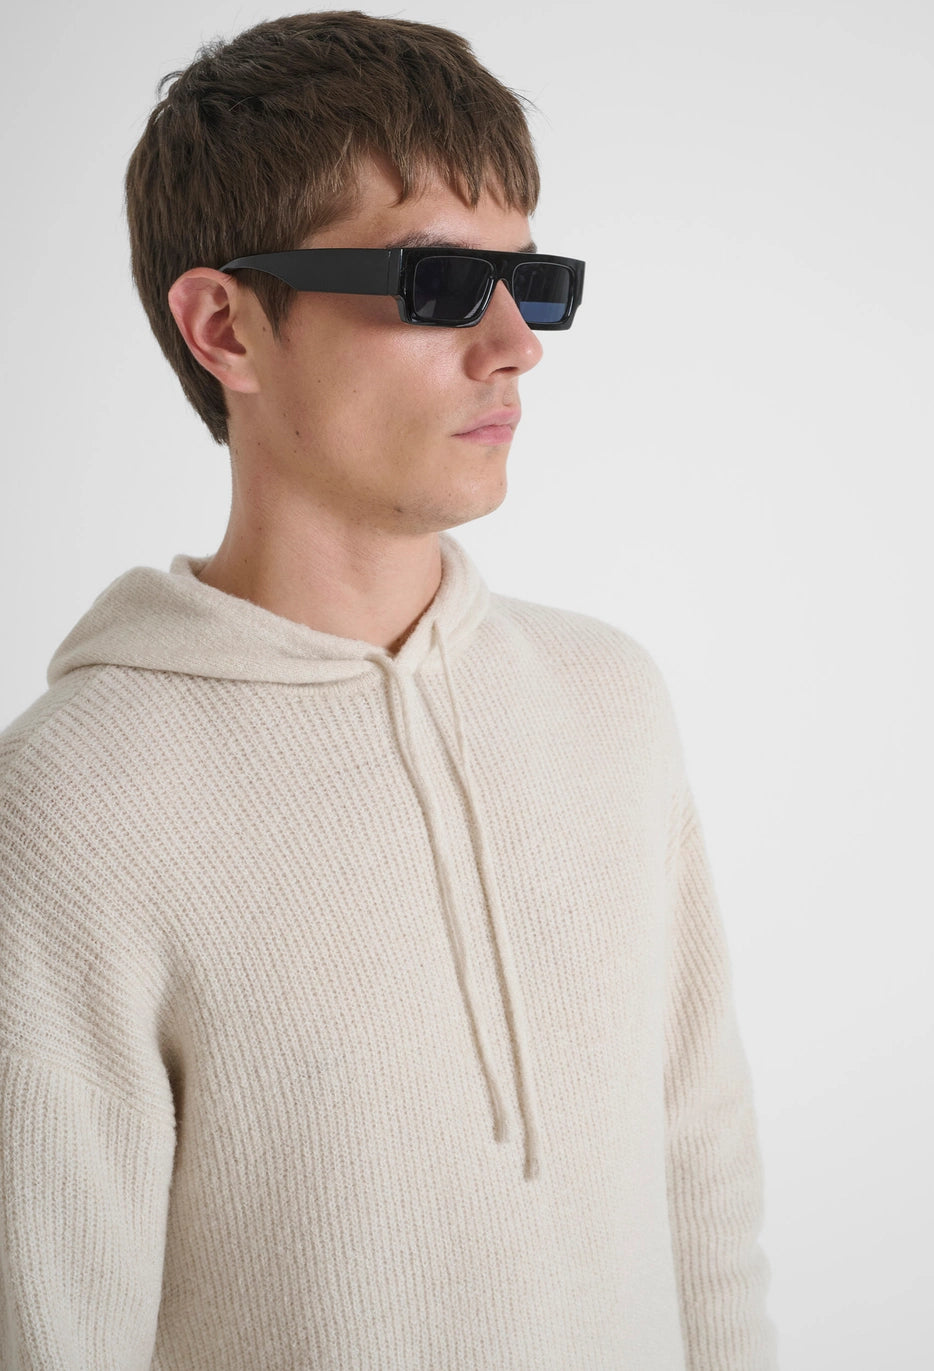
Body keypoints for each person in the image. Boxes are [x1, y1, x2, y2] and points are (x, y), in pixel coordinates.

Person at [0, 11, 777, 1369]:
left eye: (531, 282)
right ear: (227, 326)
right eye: (440, 283)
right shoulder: (75, 802)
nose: (516, 344)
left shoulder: (609, 703)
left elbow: (702, 1193)